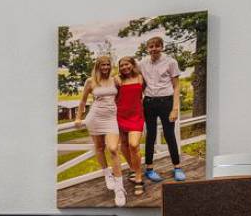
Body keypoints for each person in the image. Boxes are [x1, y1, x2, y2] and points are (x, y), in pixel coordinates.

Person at [75, 54, 126, 207]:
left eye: (107, 64)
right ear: (98, 66)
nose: (105, 67)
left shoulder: (115, 80)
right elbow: (83, 100)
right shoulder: (90, 81)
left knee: (113, 149)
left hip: (111, 118)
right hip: (95, 117)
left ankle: (119, 188)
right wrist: (78, 118)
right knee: (99, 148)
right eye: (102, 65)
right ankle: (107, 174)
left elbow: (122, 97)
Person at [138, 35, 184, 183]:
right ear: (147, 49)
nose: (154, 49)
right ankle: (149, 169)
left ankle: (177, 167)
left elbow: (176, 86)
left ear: (162, 47)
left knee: (169, 135)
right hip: (149, 103)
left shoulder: (171, 62)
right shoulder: (142, 63)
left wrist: (175, 108)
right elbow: (138, 82)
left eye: (157, 46)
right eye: (151, 46)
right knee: (150, 135)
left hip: (166, 102)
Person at [115, 55, 146, 198]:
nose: (124, 67)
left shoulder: (140, 78)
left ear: (133, 65)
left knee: (133, 145)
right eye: (121, 65)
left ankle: (139, 178)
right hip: (120, 115)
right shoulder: (117, 80)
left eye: (127, 64)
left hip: (136, 116)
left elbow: (143, 93)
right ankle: (133, 169)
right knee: (124, 145)